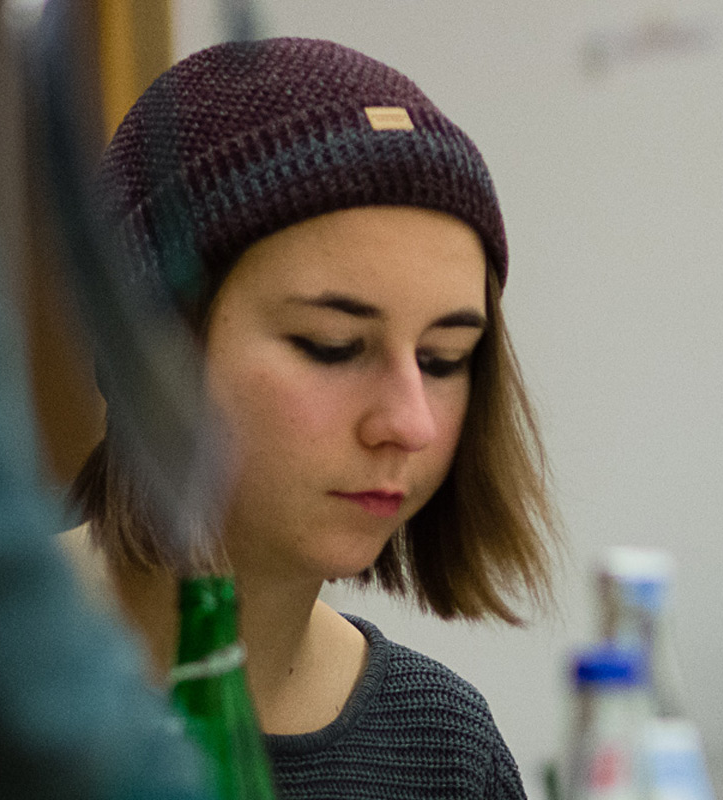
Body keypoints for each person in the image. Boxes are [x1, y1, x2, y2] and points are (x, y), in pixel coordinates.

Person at [66, 37, 559, 800]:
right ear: (148, 354)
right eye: (331, 346)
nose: (411, 424)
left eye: (443, 359)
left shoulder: (445, 751)